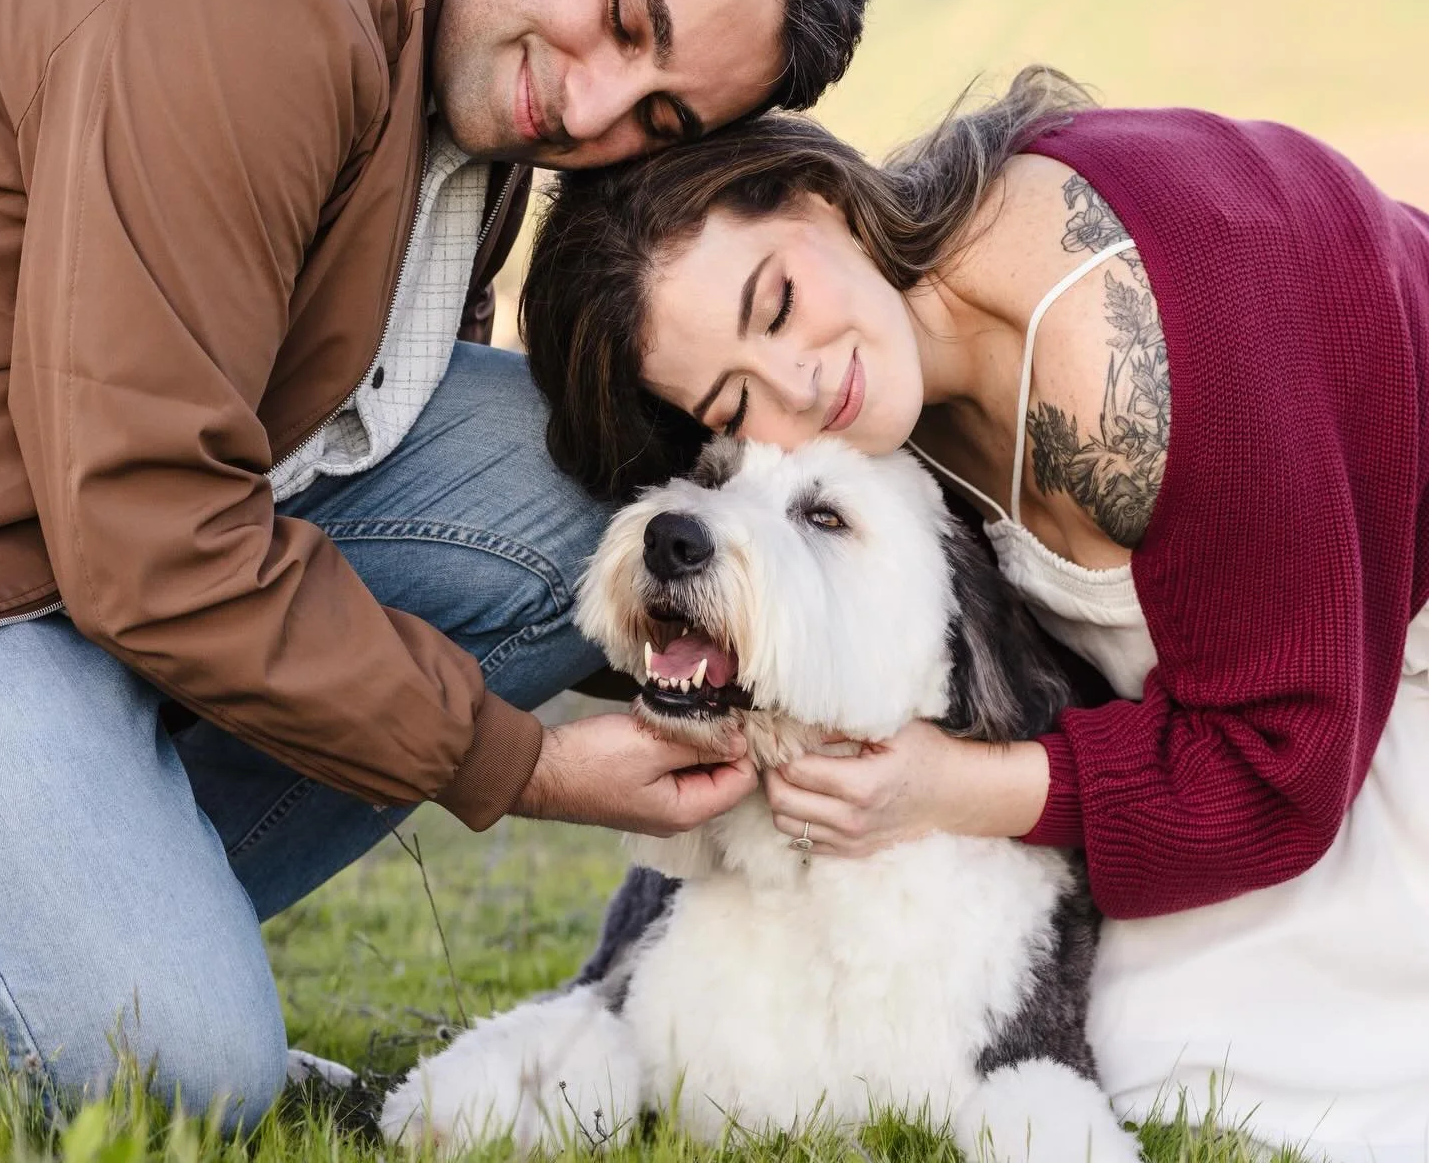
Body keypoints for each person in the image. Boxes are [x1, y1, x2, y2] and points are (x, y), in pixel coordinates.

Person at [0, 0, 872, 1123]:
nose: (593, 110)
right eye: (625, 16)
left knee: (599, 504)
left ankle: (111, 917)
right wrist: (520, 766)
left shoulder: (471, 37)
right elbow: (147, 535)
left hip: (78, 544)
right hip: (26, 580)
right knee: (181, 1068)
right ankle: (84, 964)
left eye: (660, 118)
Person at [520, 73, 1429, 1159]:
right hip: (1250, 714)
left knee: (1168, 1052)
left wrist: (948, 788)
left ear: (818, 192)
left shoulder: (1134, 362)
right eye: (734, 402)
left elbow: (1280, 777)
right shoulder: (890, 379)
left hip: (1364, 703)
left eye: (778, 305)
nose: (797, 388)